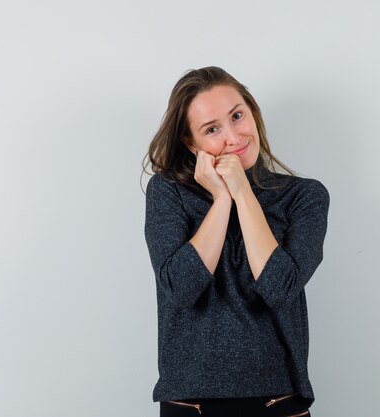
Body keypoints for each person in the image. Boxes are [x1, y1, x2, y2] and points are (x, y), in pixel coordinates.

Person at [142, 66, 330, 417]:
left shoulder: (304, 197)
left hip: (279, 401)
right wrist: (222, 200)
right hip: (191, 404)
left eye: (237, 116)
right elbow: (181, 288)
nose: (233, 136)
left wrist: (243, 194)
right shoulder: (167, 192)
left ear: (252, 113)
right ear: (190, 142)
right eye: (211, 129)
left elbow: (279, 286)